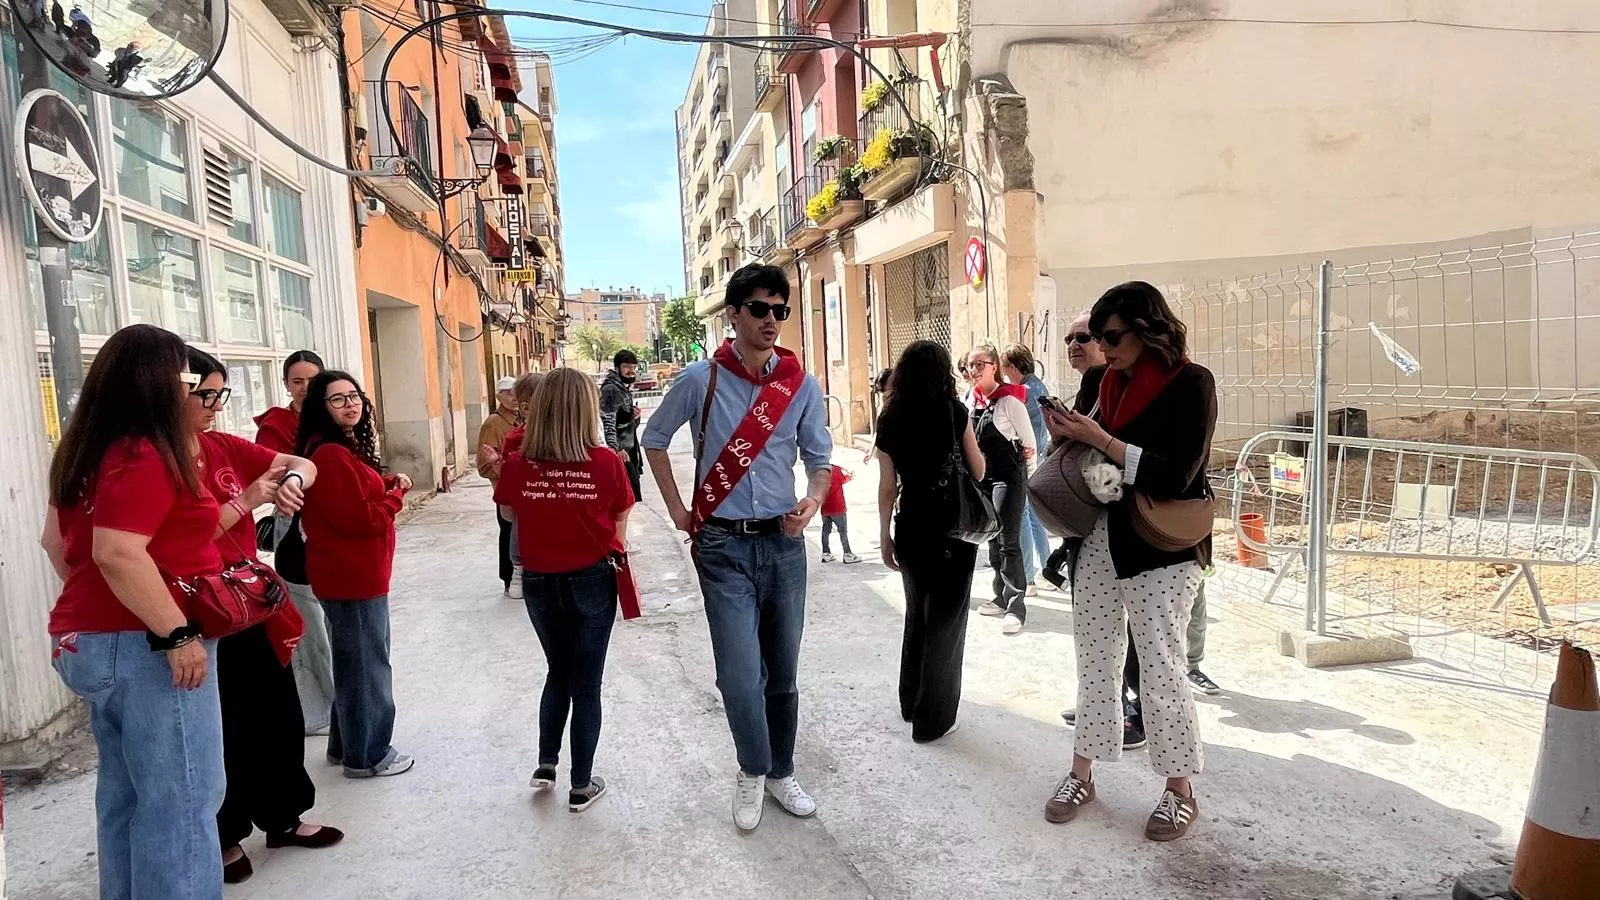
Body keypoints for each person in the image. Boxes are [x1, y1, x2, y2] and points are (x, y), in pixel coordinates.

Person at [642, 262, 832, 832]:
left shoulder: (799, 384)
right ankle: (753, 768)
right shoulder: (700, 380)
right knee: (738, 673)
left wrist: (814, 498)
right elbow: (654, 439)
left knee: (784, 672)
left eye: (781, 310)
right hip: (722, 544)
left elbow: (820, 457)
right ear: (733, 313)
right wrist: (679, 510)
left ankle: (781, 771)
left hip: (783, 543)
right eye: (760, 309)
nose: (772, 319)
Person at [40, 324, 228, 898]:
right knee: (184, 798)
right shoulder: (144, 452)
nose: (189, 390)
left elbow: (56, 545)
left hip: (94, 640)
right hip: (147, 645)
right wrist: (175, 634)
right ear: (155, 383)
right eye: (184, 379)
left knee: (127, 796)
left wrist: (102, 610)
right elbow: (117, 551)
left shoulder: (84, 452)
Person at [1040, 281, 1216, 842]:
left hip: (1162, 544)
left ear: (1147, 330)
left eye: (1111, 336)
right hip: (1097, 537)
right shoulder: (1100, 380)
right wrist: (1067, 439)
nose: (1102, 347)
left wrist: (1103, 440)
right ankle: (1082, 774)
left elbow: (1177, 474)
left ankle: (1179, 789)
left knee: (1162, 670)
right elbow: (1093, 467)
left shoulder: (1192, 383)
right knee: (1094, 664)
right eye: (1097, 336)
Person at [182, 347, 342, 884]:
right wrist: (248, 500)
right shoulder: (155, 462)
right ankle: (224, 836)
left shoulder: (222, 446)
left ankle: (282, 815)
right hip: (196, 609)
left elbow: (301, 462)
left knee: (276, 712)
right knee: (220, 726)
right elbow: (174, 543)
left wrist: (294, 481)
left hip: (247, 600)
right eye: (206, 394)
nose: (215, 405)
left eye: (219, 394)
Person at [495, 368, 634, 812]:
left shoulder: (518, 464)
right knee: (587, 682)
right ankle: (581, 784)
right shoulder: (606, 462)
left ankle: (546, 764)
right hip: (591, 578)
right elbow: (620, 514)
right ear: (585, 410)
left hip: (538, 581)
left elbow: (508, 512)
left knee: (558, 671)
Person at [296, 371, 416, 779]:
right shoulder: (329, 454)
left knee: (353, 663)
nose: (350, 404)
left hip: (353, 573)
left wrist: (383, 483)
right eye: (337, 399)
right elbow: (360, 518)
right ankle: (368, 755)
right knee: (368, 668)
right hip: (352, 576)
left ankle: (345, 744)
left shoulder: (340, 449)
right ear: (321, 407)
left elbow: (354, 493)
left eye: (354, 396)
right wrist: (396, 494)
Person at [876, 341, 986, 742]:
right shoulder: (954, 412)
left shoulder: (889, 418)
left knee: (917, 615)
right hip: (951, 528)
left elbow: (887, 487)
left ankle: (911, 702)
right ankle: (933, 719)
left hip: (910, 526)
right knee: (947, 621)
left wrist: (884, 536)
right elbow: (977, 470)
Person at [256, 350, 335, 737]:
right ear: (286, 384)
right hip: (296, 526)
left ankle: (345, 703)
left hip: (336, 527)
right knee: (309, 624)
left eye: (312, 379)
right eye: (297, 381)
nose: (305, 388)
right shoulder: (276, 426)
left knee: (340, 621)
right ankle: (323, 709)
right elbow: (269, 476)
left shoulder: (336, 414)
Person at [966, 344, 1037, 635]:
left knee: (1009, 541)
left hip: (1008, 477)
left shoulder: (1010, 402)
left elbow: (1029, 445)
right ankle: (1000, 594)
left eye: (979, 364)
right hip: (982, 476)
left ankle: (1016, 606)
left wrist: (1027, 483)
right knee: (992, 539)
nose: (973, 371)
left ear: (994, 366)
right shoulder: (972, 399)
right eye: (969, 366)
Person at [1001, 343, 1054, 595]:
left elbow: (1027, 433)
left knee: (1022, 518)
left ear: (1012, 366)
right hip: (1038, 461)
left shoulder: (1024, 391)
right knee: (1034, 518)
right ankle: (1046, 569)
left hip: (1027, 462)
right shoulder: (1037, 385)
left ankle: (1029, 578)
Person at [478, 375, 521, 599]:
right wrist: (499, 475)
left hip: (518, 488)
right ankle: (508, 578)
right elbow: (484, 463)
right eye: (506, 393)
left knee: (517, 532)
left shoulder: (517, 419)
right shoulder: (494, 423)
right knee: (508, 532)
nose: (512, 397)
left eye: (515, 391)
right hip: (504, 488)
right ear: (498, 396)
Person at [600, 349, 645, 501]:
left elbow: (624, 423)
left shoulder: (622, 388)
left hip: (628, 451)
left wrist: (634, 417)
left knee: (629, 497)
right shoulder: (611, 389)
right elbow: (607, 421)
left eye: (634, 367)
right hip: (620, 453)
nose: (631, 371)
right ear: (617, 368)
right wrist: (615, 449)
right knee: (623, 499)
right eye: (627, 366)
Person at [819, 464, 859, 563]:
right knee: (843, 532)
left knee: (825, 531)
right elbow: (842, 480)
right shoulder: (836, 469)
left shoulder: (819, 471)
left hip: (825, 507)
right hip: (838, 507)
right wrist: (849, 477)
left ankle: (826, 553)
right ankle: (847, 553)